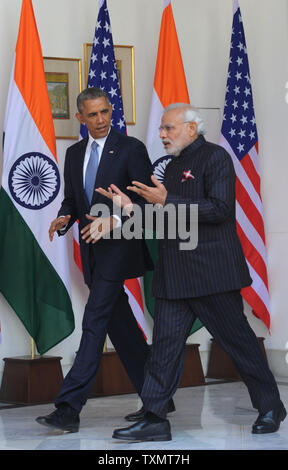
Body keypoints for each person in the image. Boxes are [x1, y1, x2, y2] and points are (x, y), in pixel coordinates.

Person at [99, 103, 286, 442]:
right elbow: (168, 221)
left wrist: (166, 200)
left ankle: (271, 406)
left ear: (191, 128)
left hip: (212, 274)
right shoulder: (171, 168)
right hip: (174, 276)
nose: (162, 135)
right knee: (164, 349)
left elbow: (220, 209)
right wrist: (129, 210)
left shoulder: (215, 158)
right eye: (161, 129)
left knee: (239, 344)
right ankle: (155, 416)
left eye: (168, 128)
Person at [35, 87, 176, 433]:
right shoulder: (74, 153)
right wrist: (65, 216)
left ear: (111, 110)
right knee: (121, 327)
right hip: (91, 251)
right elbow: (73, 199)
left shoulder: (131, 148)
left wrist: (113, 219)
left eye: (105, 112)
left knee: (94, 321)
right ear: (81, 117)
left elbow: (145, 203)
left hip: (120, 247)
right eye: (93, 115)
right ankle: (158, 396)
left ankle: (69, 407)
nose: (100, 120)